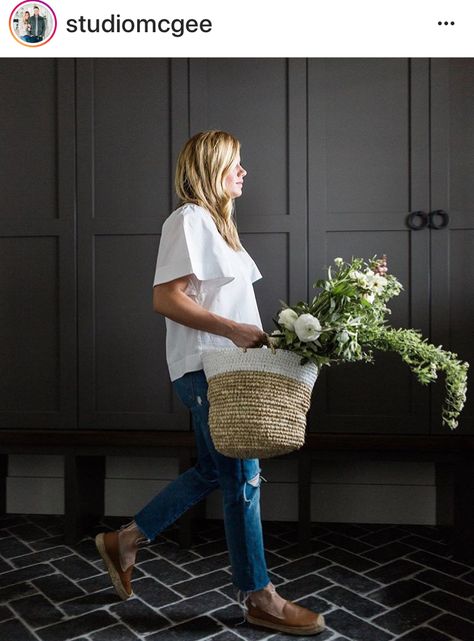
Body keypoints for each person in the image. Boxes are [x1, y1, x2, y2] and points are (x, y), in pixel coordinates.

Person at [95, 130, 325, 636]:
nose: (244, 173)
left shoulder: (222, 230)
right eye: (234, 164)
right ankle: (259, 596)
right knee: (242, 476)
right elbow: (165, 298)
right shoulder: (189, 219)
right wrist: (235, 331)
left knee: (214, 470)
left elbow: (229, 304)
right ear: (211, 169)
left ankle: (126, 540)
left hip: (226, 371)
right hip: (206, 370)